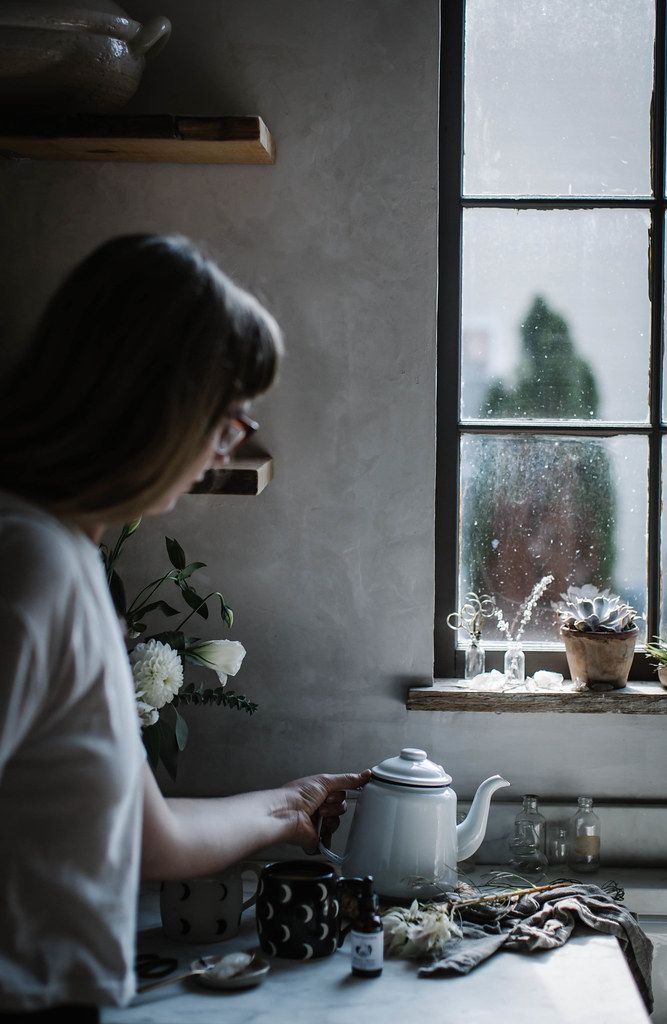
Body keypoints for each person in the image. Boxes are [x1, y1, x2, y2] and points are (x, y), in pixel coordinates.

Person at [0, 235, 369, 1021]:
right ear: (157, 405)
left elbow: (145, 836)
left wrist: (290, 803)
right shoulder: (27, 564)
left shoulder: (61, 552)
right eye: (228, 418)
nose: (218, 450)